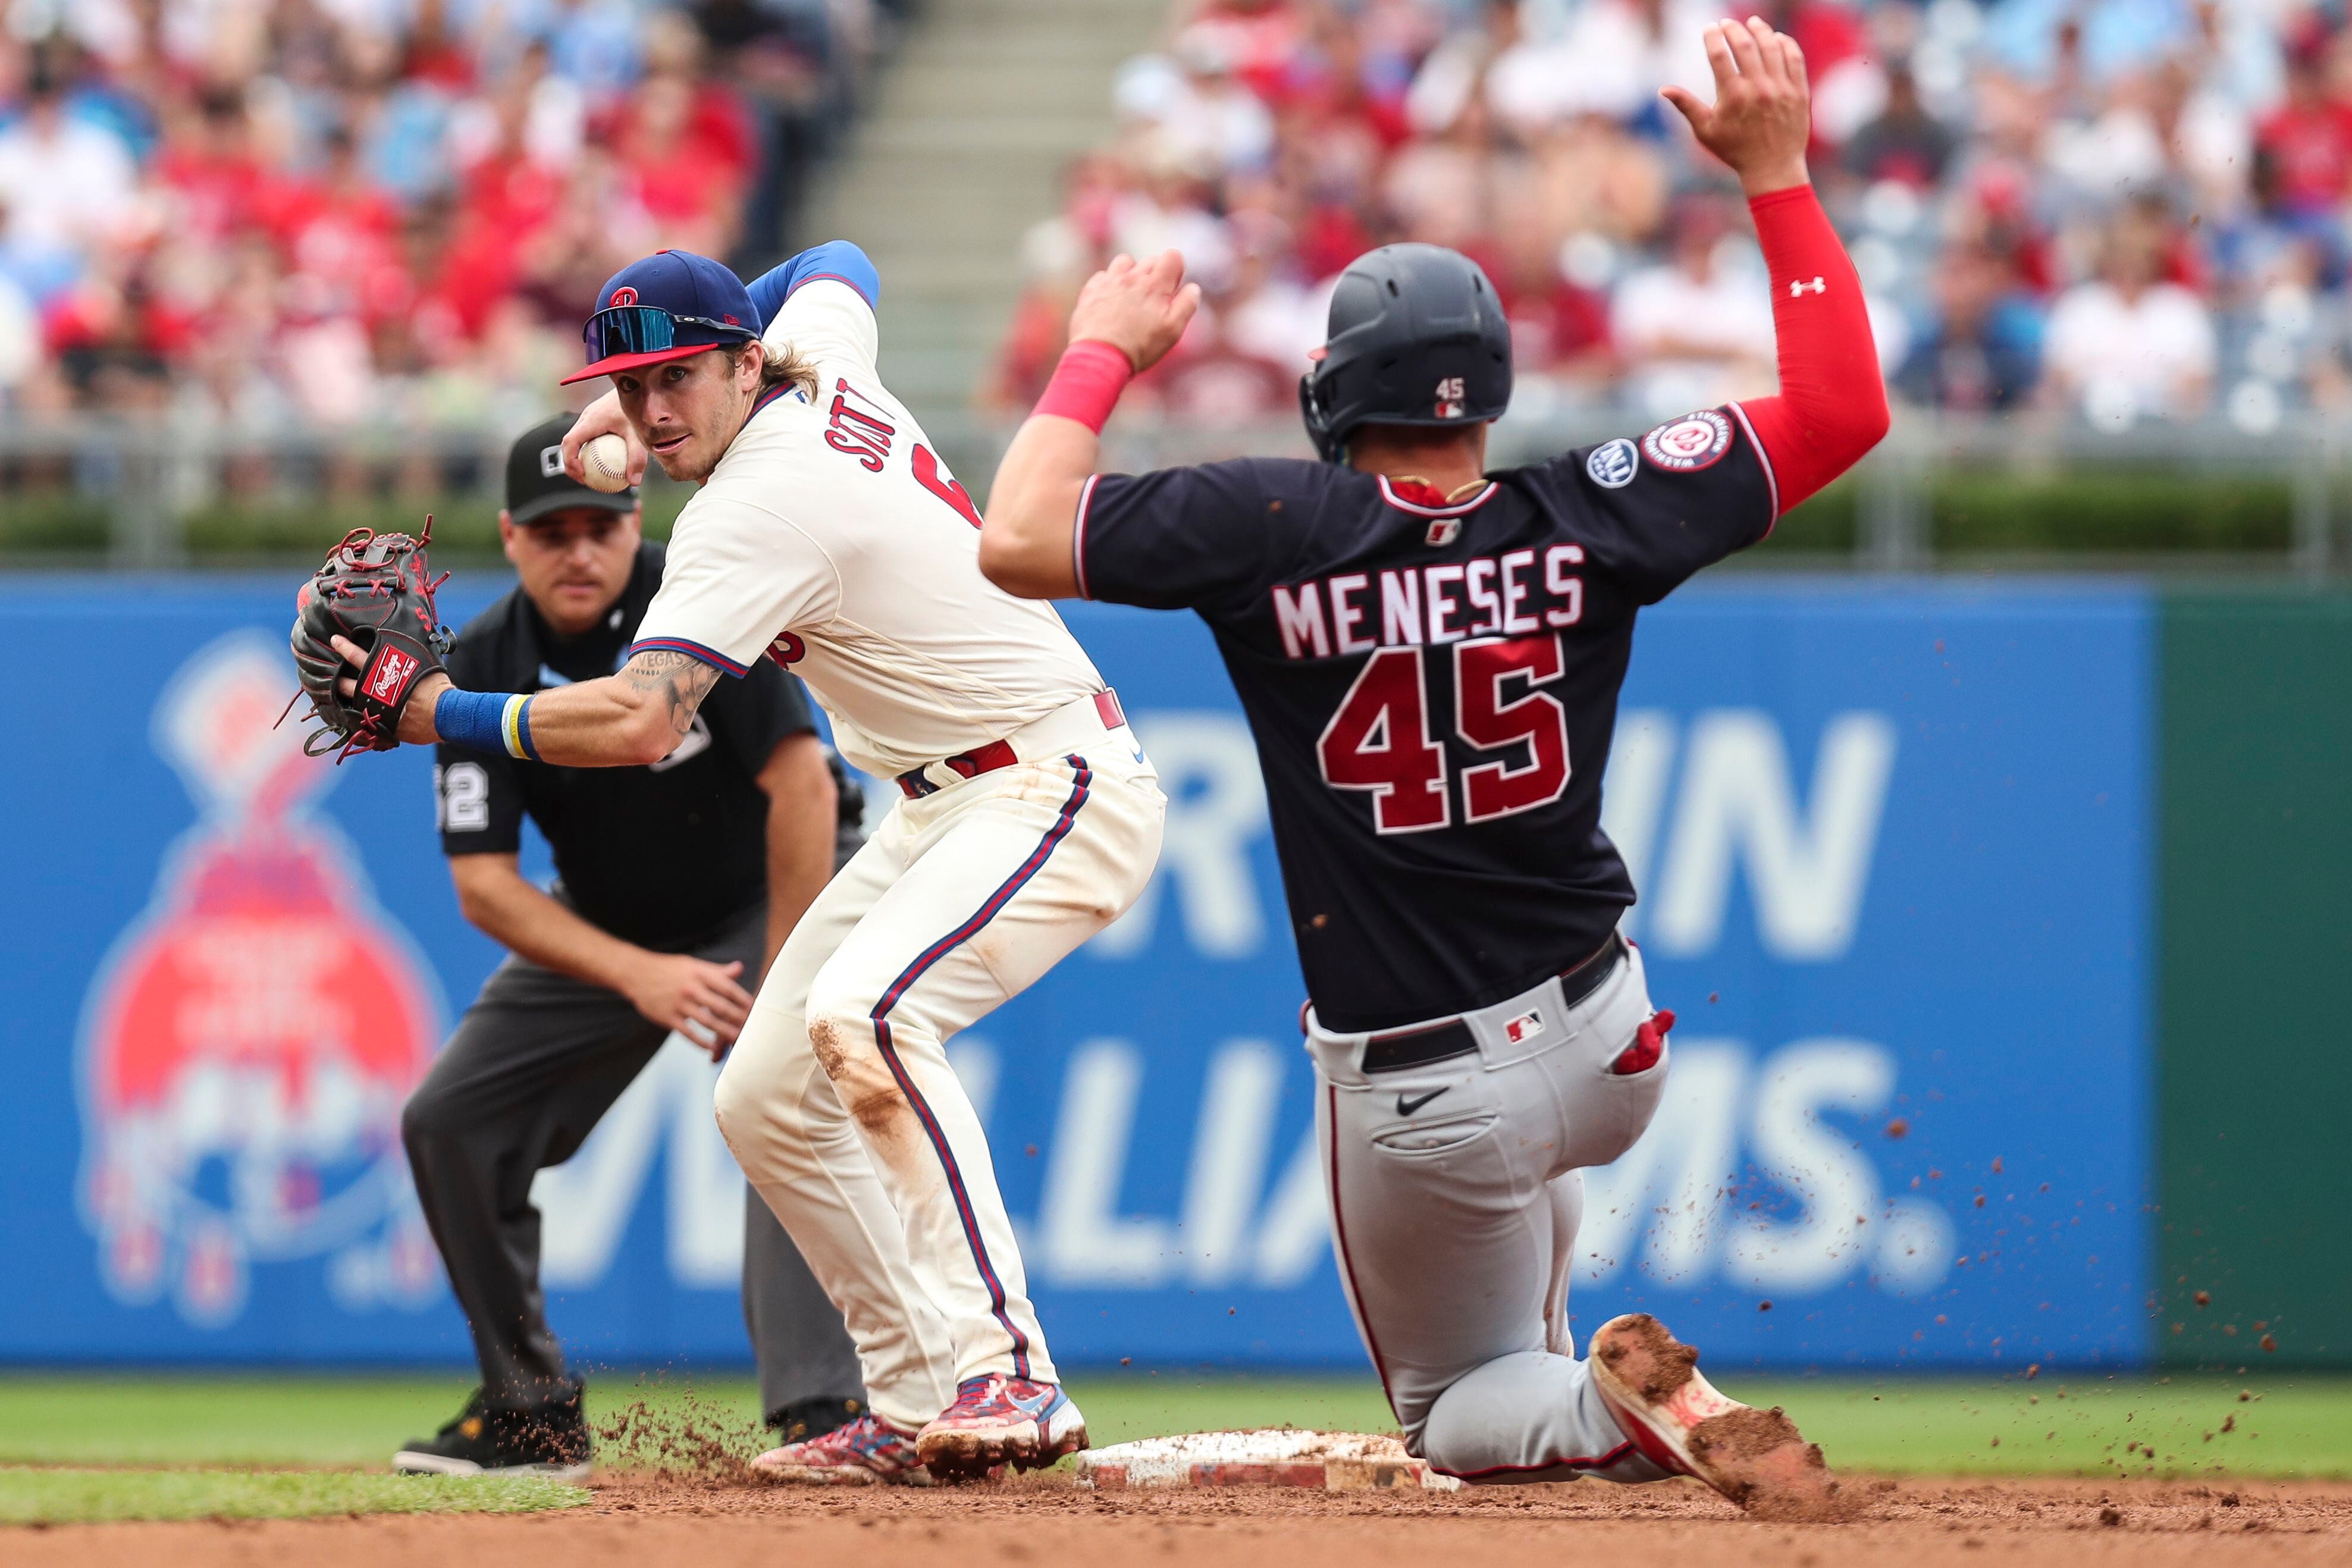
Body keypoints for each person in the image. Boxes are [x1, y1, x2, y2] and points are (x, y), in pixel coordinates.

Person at [975, 19, 1885, 1516]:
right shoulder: (1588, 512)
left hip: (1426, 1084)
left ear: (1338, 392)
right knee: (1504, 1316)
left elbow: (1014, 534)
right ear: (1492, 383)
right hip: (1608, 1039)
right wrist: (1778, 175)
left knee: (1458, 1407)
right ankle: (1592, 1399)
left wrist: (1099, 352)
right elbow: (1846, 409)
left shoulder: (1268, 523)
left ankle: (1615, 1405)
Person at [327, 245, 1165, 1485]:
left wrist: (438, 712)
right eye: (629, 384)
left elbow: (639, 722)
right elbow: (839, 260)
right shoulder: (820, 356)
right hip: (942, 802)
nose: (653, 413)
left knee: (864, 1014)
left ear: (736, 363)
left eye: (677, 378)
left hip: (1054, 780)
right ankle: (914, 1392)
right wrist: (686, 354)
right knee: (764, 1088)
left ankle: (1013, 1374)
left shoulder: (749, 506)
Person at [392, 413, 868, 1479]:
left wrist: (787, 980)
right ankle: (530, 1416)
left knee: (781, 1091)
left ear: (634, 524)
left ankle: (822, 1410)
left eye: (597, 529)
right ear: (512, 538)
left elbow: (799, 786)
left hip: (774, 887)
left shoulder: (694, 602)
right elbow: (484, 885)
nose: (579, 552)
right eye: (553, 530)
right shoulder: (481, 662)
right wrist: (641, 977)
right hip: (617, 921)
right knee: (449, 1121)